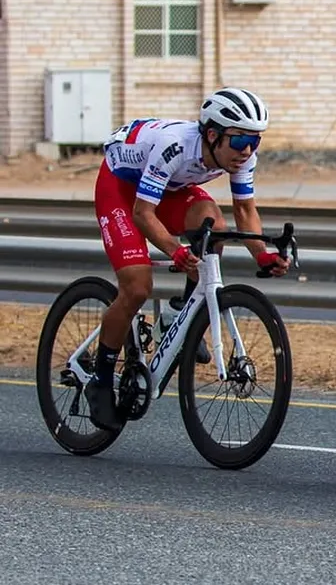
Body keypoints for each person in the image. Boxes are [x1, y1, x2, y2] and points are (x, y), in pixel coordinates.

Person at [87, 87, 291, 431]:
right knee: (137, 287)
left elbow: (244, 209)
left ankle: (179, 312)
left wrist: (263, 255)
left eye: (255, 142)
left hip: (170, 188)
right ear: (213, 135)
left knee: (213, 224)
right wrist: (175, 251)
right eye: (241, 141)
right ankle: (101, 377)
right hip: (121, 189)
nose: (248, 151)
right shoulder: (177, 146)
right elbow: (142, 213)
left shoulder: (241, 156)